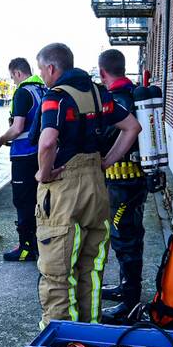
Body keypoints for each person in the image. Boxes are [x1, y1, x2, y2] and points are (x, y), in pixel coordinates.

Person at [31, 43, 140, 328]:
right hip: (96, 186)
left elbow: (47, 141)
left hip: (65, 185)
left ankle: (61, 342)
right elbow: (132, 127)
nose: (42, 75)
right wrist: (106, 162)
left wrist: (44, 174)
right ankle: (89, 334)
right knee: (91, 267)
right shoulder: (98, 93)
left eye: (42, 70)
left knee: (57, 269)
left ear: (51, 68)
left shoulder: (55, 97)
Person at [94, 49, 148, 324]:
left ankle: (130, 305)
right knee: (126, 236)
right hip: (131, 178)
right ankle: (125, 289)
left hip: (123, 179)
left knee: (125, 239)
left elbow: (106, 137)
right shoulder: (133, 91)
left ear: (103, 72)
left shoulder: (117, 98)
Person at [0, 57, 45, 262]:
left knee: (23, 201)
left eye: (12, 77)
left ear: (17, 73)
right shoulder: (43, 90)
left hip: (24, 155)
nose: (13, 81)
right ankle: (40, 245)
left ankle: (26, 248)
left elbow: (17, 128)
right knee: (39, 200)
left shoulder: (22, 93)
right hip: (42, 154)